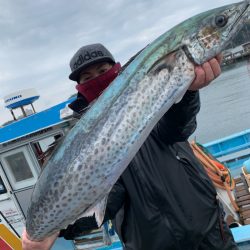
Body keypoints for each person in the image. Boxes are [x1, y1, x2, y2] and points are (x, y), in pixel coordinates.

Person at [22, 43, 238, 250]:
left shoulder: (150, 96)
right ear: (80, 88)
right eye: (88, 78)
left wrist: (190, 92)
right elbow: (103, 202)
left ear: (118, 70)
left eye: (102, 70)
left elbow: (178, 128)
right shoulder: (83, 139)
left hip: (210, 230)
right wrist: (54, 229)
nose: (97, 79)